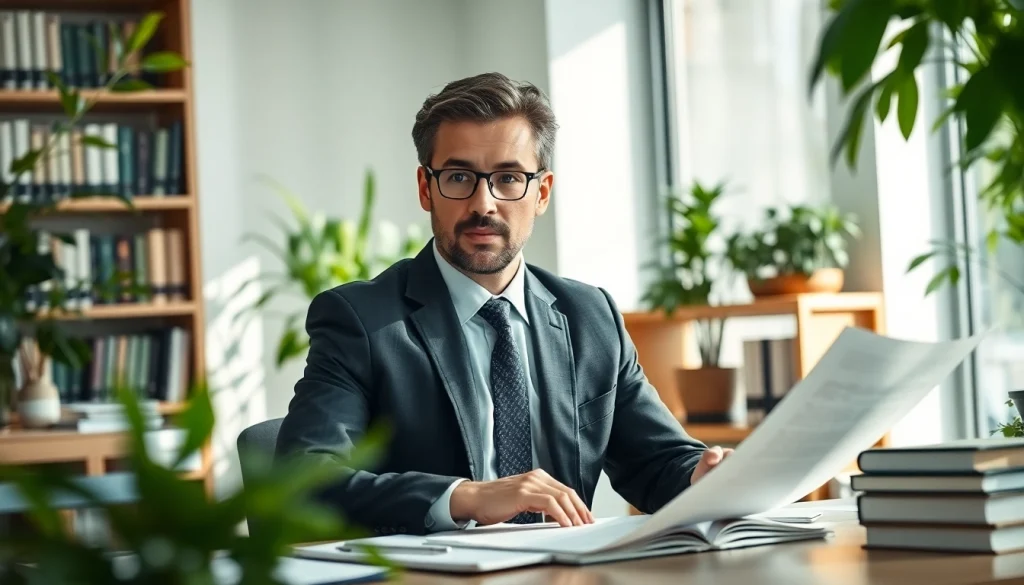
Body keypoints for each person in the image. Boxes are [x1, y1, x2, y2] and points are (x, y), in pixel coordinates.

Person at [275, 72, 733, 536]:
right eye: (458, 177)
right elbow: (305, 480)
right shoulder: (362, 321)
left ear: (542, 192)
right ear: (425, 188)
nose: (483, 203)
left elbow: (658, 461)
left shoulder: (590, 317)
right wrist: (463, 497)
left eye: (509, 178)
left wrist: (705, 475)